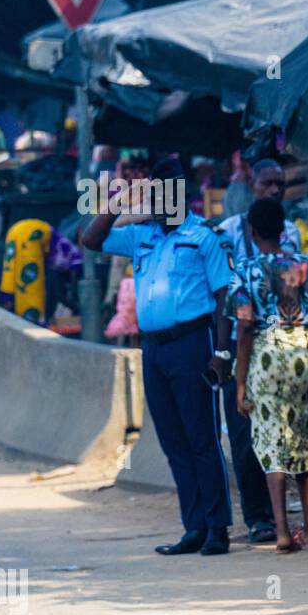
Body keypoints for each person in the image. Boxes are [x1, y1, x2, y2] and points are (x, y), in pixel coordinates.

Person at [81, 158, 235, 556]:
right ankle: (194, 527)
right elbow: (91, 240)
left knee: (201, 437)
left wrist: (221, 352)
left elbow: (223, 298)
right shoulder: (140, 236)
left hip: (192, 343)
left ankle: (218, 528)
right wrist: (117, 200)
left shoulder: (202, 236)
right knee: (173, 441)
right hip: (153, 348)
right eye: (158, 189)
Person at [228, 199, 308, 554]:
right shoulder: (305, 264)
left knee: (271, 443)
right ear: (283, 227)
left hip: (266, 351)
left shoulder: (245, 270)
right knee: (301, 438)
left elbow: (243, 328)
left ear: (252, 232)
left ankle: (282, 531)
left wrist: (240, 383)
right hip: (302, 346)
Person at [216, 158, 301, 544]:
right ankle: (258, 517)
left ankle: (289, 516)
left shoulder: (293, 234)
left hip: (283, 340)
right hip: (242, 337)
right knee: (244, 428)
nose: (274, 190)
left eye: (279, 185)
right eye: (268, 183)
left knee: (286, 429)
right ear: (252, 184)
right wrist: (223, 351)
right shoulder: (227, 233)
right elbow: (224, 295)